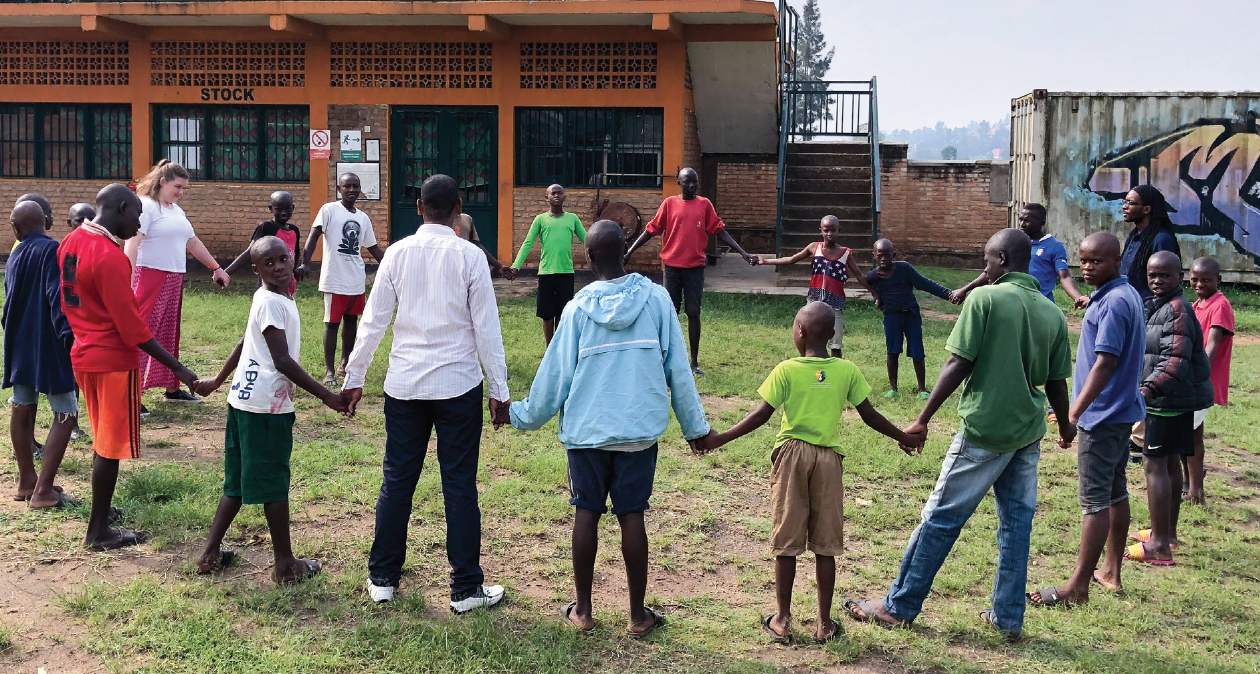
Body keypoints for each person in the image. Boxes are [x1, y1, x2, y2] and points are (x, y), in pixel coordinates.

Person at [843, 229, 1073, 641]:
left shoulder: (984, 299)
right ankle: (1007, 616)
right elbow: (1057, 382)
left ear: (1001, 258)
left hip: (984, 428)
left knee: (941, 517)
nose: (983, 267)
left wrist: (923, 417)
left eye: (986, 259)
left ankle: (899, 605)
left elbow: (957, 363)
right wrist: (1067, 424)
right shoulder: (1052, 312)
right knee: (1017, 525)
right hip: (1027, 432)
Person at [509, 220, 713, 637]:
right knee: (631, 515)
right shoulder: (657, 301)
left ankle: (583, 611)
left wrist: (520, 414)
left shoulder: (577, 308)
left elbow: (555, 378)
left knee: (587, 512)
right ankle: (638, 615)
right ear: (626, 251)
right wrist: (695, 429)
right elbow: (678, 371)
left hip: (586, 434)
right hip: (638, 432)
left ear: (587, 257)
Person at [697, 301, 922, 644]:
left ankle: (783, 619)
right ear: (832, 335)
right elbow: (870, 415)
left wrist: (719, 439)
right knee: (825, 545)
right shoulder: (846, 370)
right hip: (829, 460)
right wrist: (903, 437)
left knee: (786, 542)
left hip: (790, 456)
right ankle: (824, 623)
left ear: (799, 332)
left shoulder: (786, 369)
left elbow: (760, 416)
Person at [341, 174, 510, 613]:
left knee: (397, 481)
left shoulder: (396, 254)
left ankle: (383, 579)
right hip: (458, 387)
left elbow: (374, 321)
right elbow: (486, 329)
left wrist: (354, 376)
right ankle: (466, 589)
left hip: (405, 386)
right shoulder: (470, 257)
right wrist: (500, 388)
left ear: (419, 207)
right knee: (459, 487)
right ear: (458, 209)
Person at [190, 237, 350, 584]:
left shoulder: (272, 298)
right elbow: (281, 360)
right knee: (274, 483)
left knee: (236, 483)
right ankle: (285, 565)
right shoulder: (271, 303)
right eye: (270, 263)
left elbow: (246, 342)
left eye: (284, 258)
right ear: (256, 269)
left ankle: (209, 553)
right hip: (264, 407)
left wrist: (218, 381)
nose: (279, 266)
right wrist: (326, 396)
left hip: (243, 400)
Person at [60, 183, 204, 550]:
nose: (139, 226)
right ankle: (97, 532)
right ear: (123, 208)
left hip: (83, 354)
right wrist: (180, 370)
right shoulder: (110, 256)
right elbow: (134, 329)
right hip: (112, 361)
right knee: (109, 447)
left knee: (102, 438)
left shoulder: (71, 241)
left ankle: (102, 511)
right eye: (138, 216)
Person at [1027, 232, 1145, 608]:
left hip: (1102, 414)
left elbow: (1105, 362)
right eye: (1083, 261)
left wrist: (1073, 413)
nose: (1087, 268)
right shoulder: (1124, 296)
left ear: (1117, 262)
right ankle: (1110, 570)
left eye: (1096, 261)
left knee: (1094, 500)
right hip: (1119, 411)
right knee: (1114, 492)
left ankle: (1078, 586)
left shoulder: (1113, 303)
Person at [624, 167, 758, 375]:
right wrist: (629, 252)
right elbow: (651, 230)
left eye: (694, 181)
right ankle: (664, 360)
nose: (692, 185)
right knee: (670, 314)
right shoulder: (669, 204)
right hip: (672, 269)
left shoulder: (704, 205)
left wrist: (743, 253)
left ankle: (693, 362)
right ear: (679, 183)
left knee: (694, 313)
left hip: (695, 269)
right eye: (687, 182)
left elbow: (719, 231)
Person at [1127, 251, 1213, 566]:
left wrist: (1146, 391)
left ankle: (1159, 546)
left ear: (1179, 276)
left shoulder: (1177, 310)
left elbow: (1173, 362)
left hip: (1168, 400)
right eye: (1152, 275)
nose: (1157, 280)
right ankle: (1167, 534)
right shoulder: (1162, 305)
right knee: (1171, 463)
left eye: (1165, 275)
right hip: (1176, 398)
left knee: (1154, 465)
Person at [125, 160, 230, 408]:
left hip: (173, 279)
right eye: (178, 186)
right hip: (149, 276)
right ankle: (132, 393)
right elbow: (132, 243)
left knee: (169, 334)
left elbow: (192, 242)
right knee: (140, 334)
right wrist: (128, 281)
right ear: (162, 181)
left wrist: (215, 267)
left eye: (184, 188)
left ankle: (172, 388)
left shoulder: (175, 210)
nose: (181, 192)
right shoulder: (147, 206)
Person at [3, 201, 76, 509]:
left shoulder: (14, 255)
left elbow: (8, 302)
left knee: (22, 405)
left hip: (19, 343)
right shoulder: (54, 251)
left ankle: (26, 482)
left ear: (15, 228)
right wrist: (69, 338)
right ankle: (44, 491)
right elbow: (58, 296)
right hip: (49, 344)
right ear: (47, 221)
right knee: (67, 413)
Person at [302, 173, 385, 387]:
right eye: (347, 186)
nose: (352, 190)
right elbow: (314, 236)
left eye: (355, 186)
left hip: (356, 279)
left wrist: (391, 267)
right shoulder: (329, 210)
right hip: (334, 278)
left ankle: (345, 362)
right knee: (332, 324)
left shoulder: (363, 218)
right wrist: (306, 262)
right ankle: (329, 371)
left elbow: (373, 248)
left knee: (351, 322)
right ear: (339, 189)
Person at [758, 216, 881, 359]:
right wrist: (765, 261)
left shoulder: (846, 253)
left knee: (836, 346)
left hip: (835, 306)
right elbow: (791, 259)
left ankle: (837, 373)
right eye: (826, 230)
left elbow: (860, 276)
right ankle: (807, 370)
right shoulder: (813, 248)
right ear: (821, 231)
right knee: (809, 342)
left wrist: (875, 294)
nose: (830, 234)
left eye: (833, 230)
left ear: (839, 231)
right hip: (813, 306)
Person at [865, 238, 952, 397]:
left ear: (894, 255)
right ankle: (893, 388)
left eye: (887, 255)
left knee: (917, 350)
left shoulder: (904, 269)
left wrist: (948, 294)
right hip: (891, 316)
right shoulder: (872, 276)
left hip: (911, 315)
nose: (884, 258)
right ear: (874, 256)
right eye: (880, 255)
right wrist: (876, 299)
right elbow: (871, 289)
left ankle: (922, 389)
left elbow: (925, 284)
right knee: (893, 351)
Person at [951, 204, 1086, 306]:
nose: (1021, 224)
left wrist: (1077, 297)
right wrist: (964, 289)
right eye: (1020, 219)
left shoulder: (1054, 246)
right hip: (1013, 303)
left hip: (1040, 305)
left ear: (1042, 223)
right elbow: (989, 271)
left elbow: (1064, 276)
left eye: (1027, 221)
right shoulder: (1013, 243)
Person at [510, 184, 587, 345]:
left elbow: (587, 241)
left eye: (560, 193)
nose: (557, 195)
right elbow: (527, 243)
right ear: (547, 198)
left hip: (566, 272)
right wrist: (516, 266)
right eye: (553, 193)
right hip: (546, 273)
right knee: (547, 313)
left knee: (562, 312)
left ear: (565, 197)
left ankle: (559, 346)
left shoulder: (572, 218)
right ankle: (549, 347)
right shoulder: (540, 219)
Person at [1185, 257, 1233, 505]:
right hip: (1192, 380)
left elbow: (1211, 346)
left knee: (1191, 435)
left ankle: (1196, 491)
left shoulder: (1220, 305)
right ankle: (1189, 483)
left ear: (1218, 280)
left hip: (1203, 381)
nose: (1200, 284)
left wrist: (1193, 375)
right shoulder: (1198, 304)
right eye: (1195, 279)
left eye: (1206, 280)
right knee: (1187, 433)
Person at [226, 191, 306, 296]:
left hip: (287, 281)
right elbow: (250, 252)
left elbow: (295, 253)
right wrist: (226, 273)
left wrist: (293, 272)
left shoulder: (294, 230)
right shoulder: (266, 227)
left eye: (288, 209)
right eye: (279, 209)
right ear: (270, 208)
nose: (284, 213)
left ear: (293, 208)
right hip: (271, 281)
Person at [1111, 185, 1181, 303]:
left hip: (1148, 309)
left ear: (1146, 209)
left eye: (1130, 203)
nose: (1124, 207)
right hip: (1129, 304)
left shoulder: (1161, 240)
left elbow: (1166, 282)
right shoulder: (1134, 236)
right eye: (1124, 202)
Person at [453, 211, 516, 280]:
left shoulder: (467, 219)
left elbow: (476, 244)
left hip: (464, 271)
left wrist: (499, 266)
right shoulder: (440, 223)